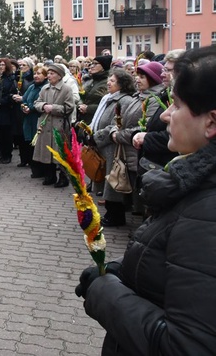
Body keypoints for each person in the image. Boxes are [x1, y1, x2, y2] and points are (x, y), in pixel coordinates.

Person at [77, 45, 216, 354]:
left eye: (177, 105)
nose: (166, 115)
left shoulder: (207, 215)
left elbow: (185, 345)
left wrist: (106, 294)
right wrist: (119, 273)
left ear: (211, 122)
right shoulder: (194, 187)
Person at [116, 61, 166, 216]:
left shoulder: (154, 99)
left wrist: (119, 135)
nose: (137, 79)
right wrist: (115, 128)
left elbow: (145, 127)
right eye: (137, 76)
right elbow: (122, 119)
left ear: (153, 78)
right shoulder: (138, 96)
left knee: (143, 190)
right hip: (129, 145)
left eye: (142, 76)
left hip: (138, 146)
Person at [90, 68, 137, 226]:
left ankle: (115, 216)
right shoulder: (110, 98)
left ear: (122, 84)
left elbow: (116, 125)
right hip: (105, 145)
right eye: (109, 79)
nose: (108, 82)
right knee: (107, 181)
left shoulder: (124, 100)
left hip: (113, 147)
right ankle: (111, 214)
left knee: (114, 182)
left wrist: (97, 136)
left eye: (113, 80)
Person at [32, 64, 75, 187]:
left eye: (52, 73)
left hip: (59, 125)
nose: (49, 76)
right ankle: (49, 176)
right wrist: (43, 106)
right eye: (48, 73)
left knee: (60, 152)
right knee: (46, 151)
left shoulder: (66, 89)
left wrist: (54, 108)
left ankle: (63, 178)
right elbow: (37, 102)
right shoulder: (45, 88)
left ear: (59, 76)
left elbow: (70, 107)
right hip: (45, 125)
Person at [21, 64, 48, 179]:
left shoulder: (46, 88)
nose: (36, 76)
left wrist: (30, 108)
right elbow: (24, 99)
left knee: (40, 145)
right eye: (35, 73)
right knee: (31, 144)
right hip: (29, 120)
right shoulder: (32, 87)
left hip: (39, 118)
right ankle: (35, 169)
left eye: (39, 73)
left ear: (45, 76)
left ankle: (42, 170)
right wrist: (24, 106)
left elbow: (41, 103)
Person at [12, 57, 35, 168]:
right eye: (20, 66)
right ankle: (23, 158)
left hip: (28, 108)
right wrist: (13, 96)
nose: (21, 67)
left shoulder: (32, 79)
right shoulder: (16, 77)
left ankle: (31, 159)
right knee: (20, 134)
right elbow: (11, 90)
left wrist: (23, 98)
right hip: (18, 109)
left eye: (24, 65)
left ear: (30, 67)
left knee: (28, 134)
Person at [0, 58, 18, 164]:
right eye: (0, 65)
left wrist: (2, 101)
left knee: (6, 133)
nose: (1, 66)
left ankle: (7, 154)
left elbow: (11, 94)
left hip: (6, 109)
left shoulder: (11, 79)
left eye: (3, 65)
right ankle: (2, 153)